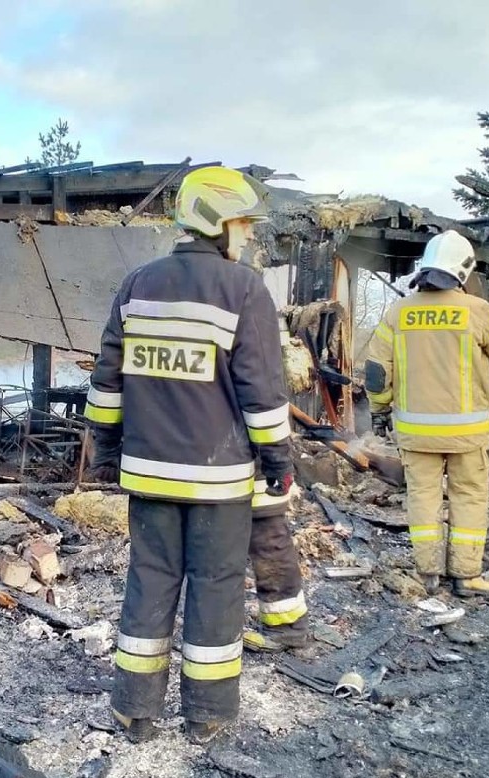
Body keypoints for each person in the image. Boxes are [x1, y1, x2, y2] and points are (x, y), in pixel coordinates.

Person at [84, 166, 294, 744]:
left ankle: (135, 711)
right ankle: (206, 716)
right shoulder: (243, 289)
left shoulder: (136, 285)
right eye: (242, 223)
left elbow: (107, 381)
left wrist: (105, 449)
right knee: (216, 587)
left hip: (148, 474)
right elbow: (262, 393)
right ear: (215, 221)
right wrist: (278, 464)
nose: (247, 236)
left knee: (149, 581)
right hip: (218, 482)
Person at [365, 230, 489, 597]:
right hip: (467, 432)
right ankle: (467, 576)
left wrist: (379, 410)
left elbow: (375, 372)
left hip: (415, 431)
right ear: (464, 270)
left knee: (423, 495)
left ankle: (428, 573)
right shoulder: (477, 310)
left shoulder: (398, 311)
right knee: (468, 495)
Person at [243, 315, 309, 653]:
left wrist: (278, 466)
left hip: (234, 458)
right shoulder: (250, 315)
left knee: (267, 538)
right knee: (268, 539)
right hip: (244, 456)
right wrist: (279, 464)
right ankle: (287, 628)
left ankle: (287, 628)